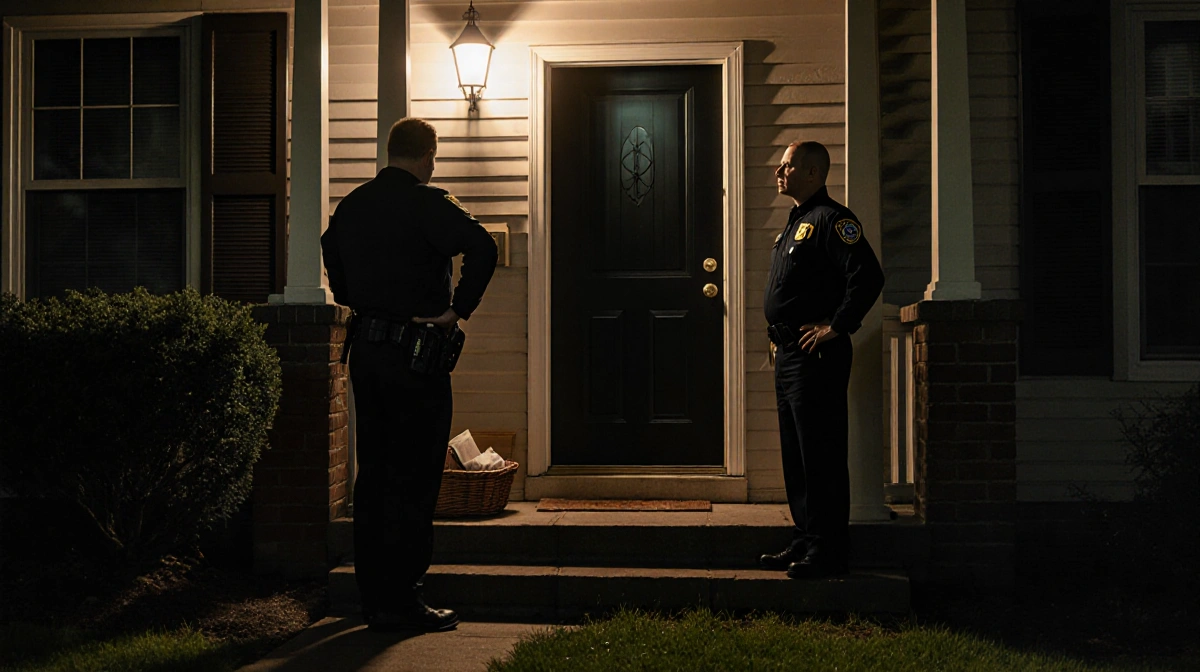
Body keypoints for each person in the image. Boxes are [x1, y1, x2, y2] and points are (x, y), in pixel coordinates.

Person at [321, 117, 498, 631]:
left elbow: (335, 262)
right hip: (415, 359)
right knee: (416, 476)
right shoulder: (427, 203)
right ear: (427, 157)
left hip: (368, 357)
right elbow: (482, 247)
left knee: (374, 476)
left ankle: (374, 596)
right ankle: (405, 599)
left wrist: (359, 296)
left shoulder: (351, 206)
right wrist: (456, 310)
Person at [758, 141, 885, 580]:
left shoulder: (833, 221)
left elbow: (867, 275)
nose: (779, 170)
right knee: (796, 453)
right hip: (789, 355)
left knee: (821, 453)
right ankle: (806, 538)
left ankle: (828, 550)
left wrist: (838, 325)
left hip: (817, 356)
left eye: (788, 165)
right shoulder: (795, 225)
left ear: (813, 173)